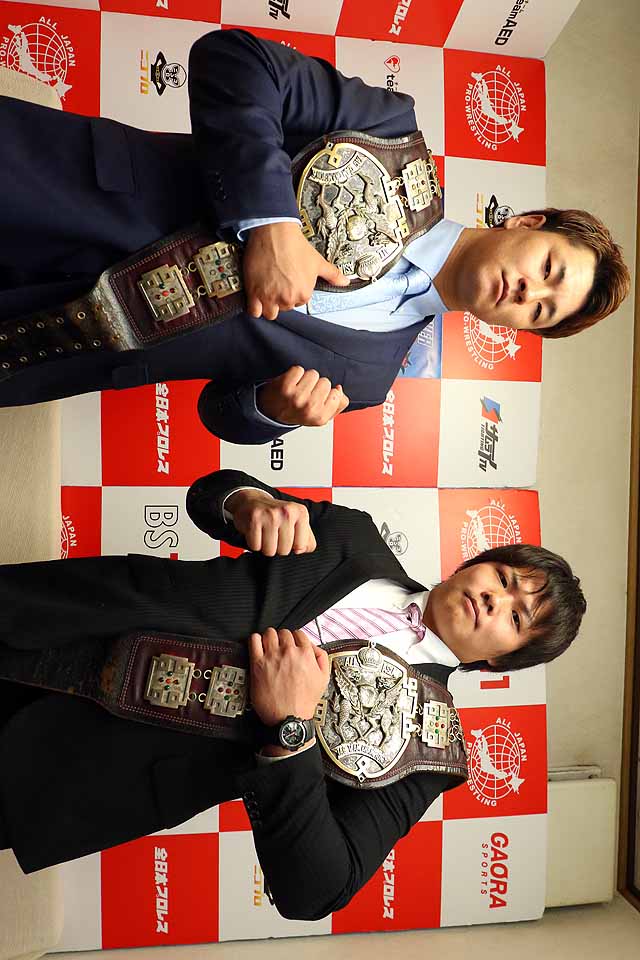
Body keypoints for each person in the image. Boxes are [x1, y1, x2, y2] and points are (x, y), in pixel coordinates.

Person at [0, 468, 585, 918]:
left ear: (499, 661)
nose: (495, 600)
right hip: (50, 615)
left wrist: (291, 733)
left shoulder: (426, 749)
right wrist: (247, 501)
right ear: (476, 562)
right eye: (503, 579)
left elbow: (318, 890)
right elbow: (209, 495)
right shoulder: (354, 537)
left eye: (516, 618)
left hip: (73, 769)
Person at [0, 29, 628, 443]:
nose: (527, 292)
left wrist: (272, 411)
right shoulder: (390, 135)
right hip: (53, 188)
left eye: (540, 311)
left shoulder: (369, 378)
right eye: (548, 269)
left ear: (516, 329)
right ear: (526, 223)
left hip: (58, 342)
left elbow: (220, 410)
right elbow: (234, 60)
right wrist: (270, 222)